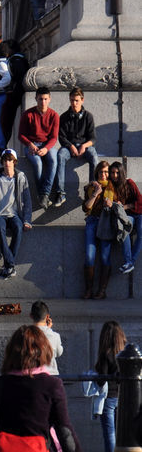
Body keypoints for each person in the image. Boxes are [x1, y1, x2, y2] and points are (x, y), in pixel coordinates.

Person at [0, 147, 32, 278]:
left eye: (10, 160)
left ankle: (8, 266)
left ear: (14, 162)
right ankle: (10, 264)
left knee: (18, 227)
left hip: (15, 214)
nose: (7, 162)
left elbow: (27, 201)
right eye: (4, 160)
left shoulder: (20, 177)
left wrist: (27, 220)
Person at [18, 87, 60, 209]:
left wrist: (46, 148)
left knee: (53, 159)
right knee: (37, 163)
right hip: (31, 145)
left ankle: (44, 194)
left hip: (47, 145)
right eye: (40, 99)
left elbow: (54, 137)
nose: (43, 102)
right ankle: (41, 194)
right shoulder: (28, 114)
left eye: (45, 99)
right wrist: (29, 144)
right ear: (36, 99)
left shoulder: (54, 115)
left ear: (49, 99)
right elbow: (20, 135)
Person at [55, 86, 98, 205]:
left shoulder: (88, 116)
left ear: (82, 100)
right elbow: (62, 137)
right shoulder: (63, 117)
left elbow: (93, 138)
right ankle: (60, 193)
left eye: (77, 100)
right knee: (60, 156)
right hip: (69, 147)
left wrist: (84, 146)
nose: (74, 103)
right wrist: (71, 146)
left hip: (85, 145)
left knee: (94, 156)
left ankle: (92, 190)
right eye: (72, 100)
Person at [94, 320, 126, 452]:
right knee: (120, 433)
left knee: (109, 433)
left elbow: (102, 379)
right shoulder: (124, 352)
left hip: (109, 397)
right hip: (123, 396)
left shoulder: (106, 353)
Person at [82, 160, 113, 299]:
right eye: (101, 172)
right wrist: (96, 193)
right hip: (92, 221)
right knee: (89, 256)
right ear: (97, 173)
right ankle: (89, 289)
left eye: (106, 172)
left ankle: (102, 290)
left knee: (105, 257)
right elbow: (86, 208)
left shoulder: (114, 187)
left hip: (107, 222)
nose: (104, 174)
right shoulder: (91, 188)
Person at [106, 161, 142, 275]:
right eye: (112, 172)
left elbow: (140, 201)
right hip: (128, 216)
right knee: (124, 229)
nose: (115, 175)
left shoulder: (129, 183)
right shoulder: (110, 187)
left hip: (139, 213)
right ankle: (128, 262)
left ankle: (130, 262)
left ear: (121, 173)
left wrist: (127, 206)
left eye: (117, 172)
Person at [30, 301, 63, 375]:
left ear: (31, 316)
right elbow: (59, 352)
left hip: (33, 376)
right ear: (47, 317)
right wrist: (48, 329)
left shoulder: (25, 335)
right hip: (51, 375)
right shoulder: (55, 336)